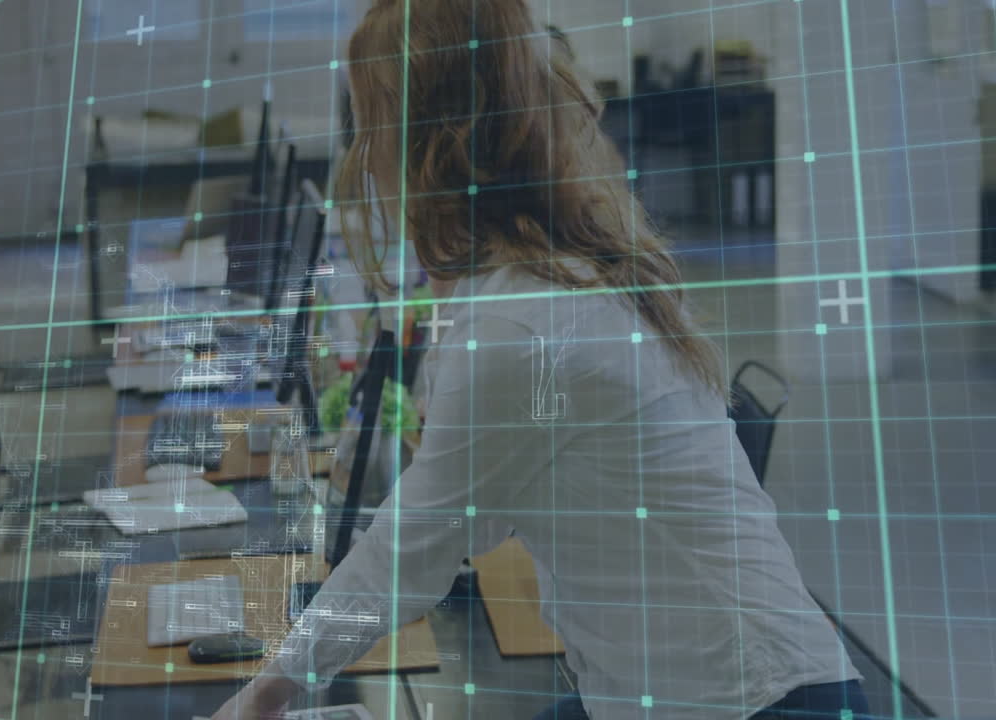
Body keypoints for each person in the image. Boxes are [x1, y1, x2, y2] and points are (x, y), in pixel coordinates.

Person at [215, 1, 866, 718]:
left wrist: (262, 696)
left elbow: (414, 552)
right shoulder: (549, 273)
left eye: (373, 123)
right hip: (688, 686)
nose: (365, 154)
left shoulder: (521, 326)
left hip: (751, 700)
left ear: (418, 141)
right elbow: (478, 512)